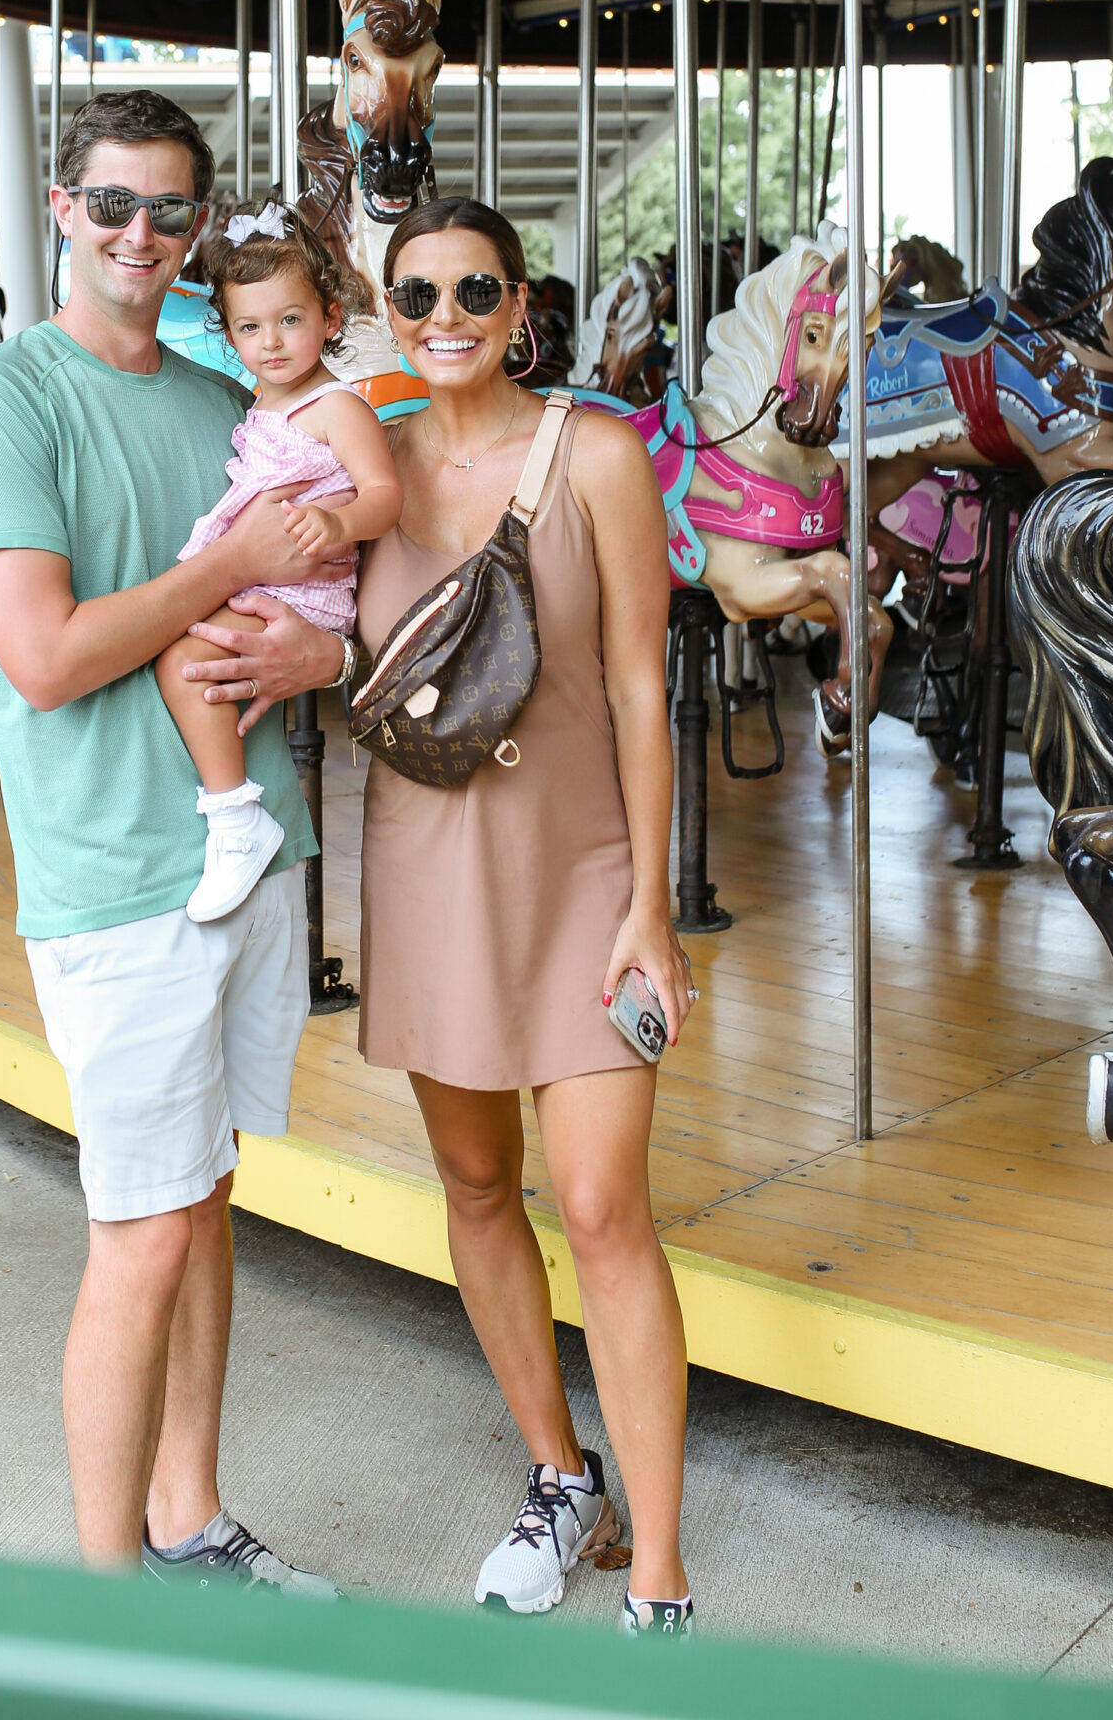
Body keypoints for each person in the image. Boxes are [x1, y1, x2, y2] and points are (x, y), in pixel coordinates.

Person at [0, 88, 351, 1592]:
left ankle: (187, 1515)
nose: (139, 234)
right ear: (62, 208)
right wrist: (233, 564)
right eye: (111, 204)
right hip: (114, 877)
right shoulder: (8, 396)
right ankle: (102, 1606)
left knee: (206, 1196)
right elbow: (40, 658)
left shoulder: (220, 404)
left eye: (170, 210)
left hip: (248, 853)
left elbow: (305, 609)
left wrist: (319, 657)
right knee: (140, 1233)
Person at [353, 198, 696, 1639]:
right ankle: (563, 1479)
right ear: (383, 304)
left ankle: (661, 1562)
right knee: (477, 1187)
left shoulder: (595, 451)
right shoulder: (356, 459)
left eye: (472, 290)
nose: (444, 316)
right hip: (426, 865)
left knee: (603, 1205)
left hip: (576, 879)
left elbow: (635, 690)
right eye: (415, 291)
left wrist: (650, 911)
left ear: (515, 305)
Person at [158, 203, 400, 922]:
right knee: (175, 655)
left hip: (305, 579)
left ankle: (235, 819)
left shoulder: (336, 406)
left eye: (288, 321)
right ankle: (229, 809)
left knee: (181, 662)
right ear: (228, 335)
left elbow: (386, 495)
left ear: (329, 318)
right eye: (249, 328)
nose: (269, 343)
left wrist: (337, 521)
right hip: (266, 567)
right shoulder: (264, 400)